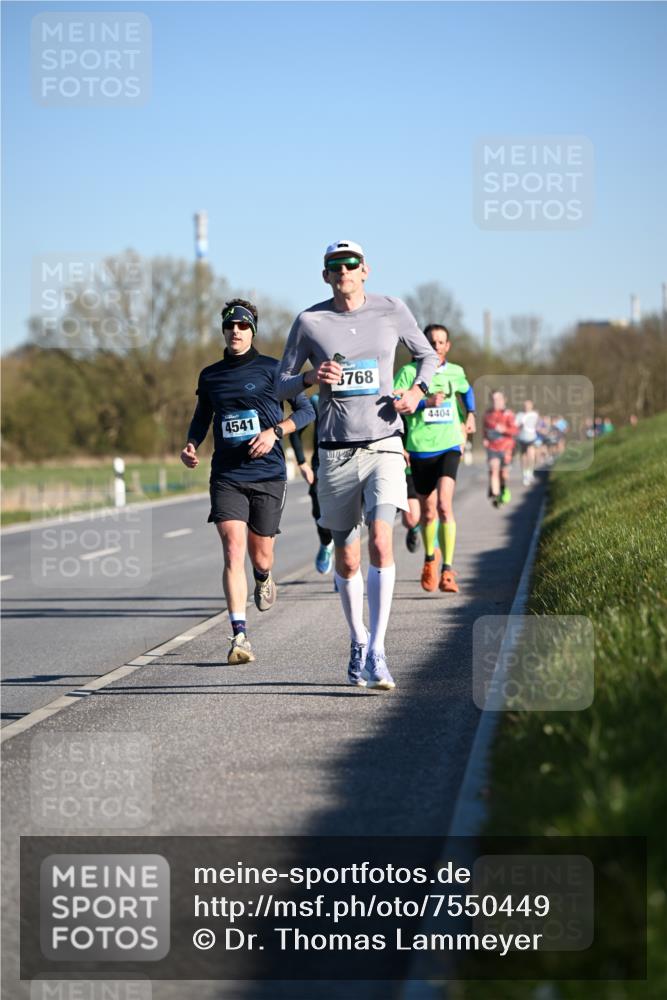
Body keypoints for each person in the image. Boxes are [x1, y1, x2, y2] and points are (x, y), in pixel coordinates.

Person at [278, 240, 438, 690]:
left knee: (381, 543)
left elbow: (427, 356)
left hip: (385, 443)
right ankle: (357, 638)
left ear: (365, 269)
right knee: (347, 557)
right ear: (325, 275)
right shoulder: (310, 321)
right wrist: (311, 377)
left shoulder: (391, 309)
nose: (344, 271)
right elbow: (279, 385)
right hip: (335, 450)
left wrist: (416, 393)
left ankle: (379, 652)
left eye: (351, 264)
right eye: (335, 266)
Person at [181, 299, 314, 665]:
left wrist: (275, 433)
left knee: (261, 553)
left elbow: (307, 411)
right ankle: (240, 634)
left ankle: (264, 576)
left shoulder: (275, 370)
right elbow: (201, 417)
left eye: (242, 326)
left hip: (268, 474)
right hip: (227, 474)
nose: (235, 331)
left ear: (252, 330)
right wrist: (192, 444)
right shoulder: (210, 376)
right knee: (232, 548)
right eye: (229, 326)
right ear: (223, 331)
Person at [394, 324, 476, 593]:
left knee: (444, 505)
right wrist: (424, 403)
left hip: (449, 445)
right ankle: (430, 559)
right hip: (419, 448)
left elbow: (467, 390)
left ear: (447, 346)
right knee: (428, 514)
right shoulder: (408, 373)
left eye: (441, 342)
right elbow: (395, 403)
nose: (437, 346)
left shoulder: (456, 371)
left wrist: (471, 414)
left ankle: (448, 570)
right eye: (432, 342)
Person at [289, 393, 335, 574]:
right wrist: (301, 463)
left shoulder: (356, 393)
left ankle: (345, 570)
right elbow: (295, 432)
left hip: (350, 462)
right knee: (320, 515)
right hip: (320, 466)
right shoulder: (317, 401)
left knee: (347, 520)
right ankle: (325, 544)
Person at [482, 390, 517, 507]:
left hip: (507, 447)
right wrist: (485, 439)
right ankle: (496, 497)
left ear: (504, 400)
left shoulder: (509, 414)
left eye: (498, 399)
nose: (496, 401)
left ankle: (503, 487)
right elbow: (485, 429)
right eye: (494, 399)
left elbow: (515, 430)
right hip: (493, 448)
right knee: (494, 469)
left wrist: (504, 430)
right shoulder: (488, 414)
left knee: (504, 474)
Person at [515, 399, 540, 485]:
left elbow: (538, 425)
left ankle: (530, 472)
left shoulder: (535, 415)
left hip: (531, 438)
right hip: (522, 438)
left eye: (528, 405)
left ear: (532, 405)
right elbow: (515, 425)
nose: (527, 406)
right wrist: (519, 425)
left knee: (531, 455)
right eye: (525, 405)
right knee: (523, 456)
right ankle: (525, 474)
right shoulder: (519, 415)